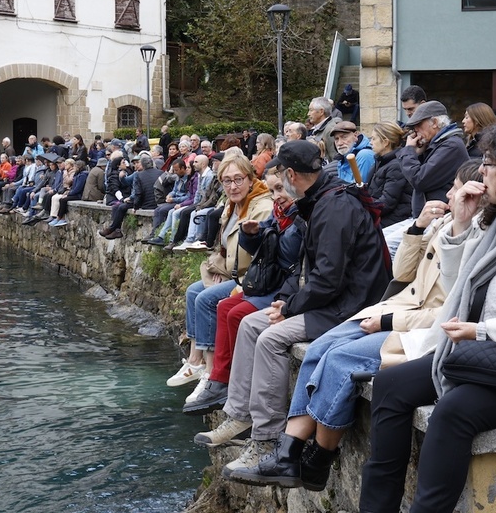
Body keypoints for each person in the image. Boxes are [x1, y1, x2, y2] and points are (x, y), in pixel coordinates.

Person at [359, 123, 496, 513]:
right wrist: (461, 225)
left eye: (490, 163)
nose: (481, 171)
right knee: (391, 383)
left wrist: (485, 331)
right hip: (485, 353)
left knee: (453, 412)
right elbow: (458, 291)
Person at [228, 160, 483, 491]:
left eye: (456, 188)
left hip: (416, 326)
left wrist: (386, 320)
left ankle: (318, 457)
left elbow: (450, 311)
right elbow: (403, 274)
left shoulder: (480, 238)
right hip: (395, 307)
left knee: (340, 359)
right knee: (319, 348)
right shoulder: (446, 223)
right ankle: (287, 453)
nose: (449, 194)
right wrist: (419, 227)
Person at [193, 141, 391, 477]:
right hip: (336, 299)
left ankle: (267, 439)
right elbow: (303, 268)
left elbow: (328, 279)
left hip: (351, 307)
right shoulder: (320, 200)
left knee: (270, 338)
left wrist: (289, 307)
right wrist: (285, 302)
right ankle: (240, 414)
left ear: (290, 174)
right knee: (251, 323)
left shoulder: (333, 207)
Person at [182, 166, 303, 414]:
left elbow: (288, 257)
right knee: (224, 306)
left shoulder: (297, 217)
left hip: (281, 286)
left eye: (280, 189)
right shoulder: (279, 213)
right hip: (267, 280)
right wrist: (251, 234)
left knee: (234, 312)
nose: (276, 196)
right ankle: (218, 376)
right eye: (272, 190)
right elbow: (253, 247)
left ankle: (229, 384)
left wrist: (265, 235)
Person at [167, 154, 273, 389]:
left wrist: (234, 281)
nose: (232, 186)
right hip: (233, 272)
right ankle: (196, 361)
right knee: (193, 291)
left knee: (206, 299)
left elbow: (261, 255)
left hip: (252, 278)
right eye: (227, 181)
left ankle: (210, 370)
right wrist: (222, 268)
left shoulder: (261, 206)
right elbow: (226, 247)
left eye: (238, 179)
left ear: (249, 178)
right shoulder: (232, 204)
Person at [398, 100, 469, 217]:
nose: (415, 130)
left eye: (418, 125)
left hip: (439, 217)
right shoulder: (439, 144)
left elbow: (419, 180)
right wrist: (419, 153)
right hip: (428, 216)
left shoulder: (451, 146)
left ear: (435, 122)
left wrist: (409, 150)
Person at [97, 153, 162, 239]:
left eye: (137, 163)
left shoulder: (138, 174)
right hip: (145, 200)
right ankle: (116, 230)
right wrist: (122, 178)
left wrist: (134, 204)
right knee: (117, 207)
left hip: (143, 201)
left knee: (121, 207)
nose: (135, 165)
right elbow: (126, 182)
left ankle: (112, 229)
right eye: (134, 163)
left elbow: (138, 193)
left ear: (143, 164)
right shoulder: (138, 173)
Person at [367, 121, 413, 227]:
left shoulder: (395, 165)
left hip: (393, 220)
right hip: (380, 216)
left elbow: (388, 202)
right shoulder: (380, 161)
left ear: (386, 142)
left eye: (374, 138)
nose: (370, 142)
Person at [306, 97, 341, 161]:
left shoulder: (330, 130)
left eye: (311, 110)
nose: (308, 114)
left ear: (321, 112)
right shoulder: (320, 128)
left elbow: (335, 159)